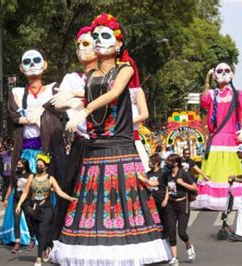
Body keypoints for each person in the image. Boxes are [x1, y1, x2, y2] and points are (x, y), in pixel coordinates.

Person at [50, 13, 171, 265]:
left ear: (118, 45)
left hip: (121, 150)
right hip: (95, 154)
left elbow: (114, 92)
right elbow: (84, 94)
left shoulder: (124, 69)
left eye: (105, 36)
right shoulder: (91, 76)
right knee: (92, 213)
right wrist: (68, 102)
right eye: (95, 37)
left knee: (126, 211)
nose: (98, 41)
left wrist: (83, 108)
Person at [1, 49, 61, 245]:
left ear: (45, 65)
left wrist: (40, 117)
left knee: (47, 189)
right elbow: (13, 115)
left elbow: (59, 107)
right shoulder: (17, 93)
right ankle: (23, 234)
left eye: (37, 60)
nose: (32, 64)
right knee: (22, 190)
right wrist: (30, 118)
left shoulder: (54, 89)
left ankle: (47, 229)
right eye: (27, 61)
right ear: (21, 67)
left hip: (46, 152)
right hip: (25, 151)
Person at [194, 63, 242, 211]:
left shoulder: (237, 94)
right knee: (215, 172)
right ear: (215, 75)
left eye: (227, 70)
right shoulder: (213, 94)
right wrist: (207, 82)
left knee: (232, 170)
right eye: (219, 71)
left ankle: (236, 199)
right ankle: (216, 200)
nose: (223, 73)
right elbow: (204, 102)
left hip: (233, 140)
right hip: (215, 141)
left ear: (232, 74)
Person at [48, 26, 97, 243]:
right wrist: (70, 102)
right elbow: (58, 102)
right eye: (78, 44)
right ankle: (61, 239)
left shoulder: (112, 75)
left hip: (106, 143)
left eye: (85, 44)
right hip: (80, 144)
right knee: (71, 189)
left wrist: (79, 97)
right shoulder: (71, 77)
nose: (80, 49)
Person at [15, 154, 77, 266]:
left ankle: (38, 257)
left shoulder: (50, 178)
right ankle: (47, 246)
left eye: (40, 165)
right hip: (34, 208)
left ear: (45, 167)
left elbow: (59, 192)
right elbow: (25, 192)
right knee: (36, 232)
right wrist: (19, 204)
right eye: (37, 165)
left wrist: (70, 198)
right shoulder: (31, 177)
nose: (38, 166)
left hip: (47, 208)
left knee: (43, 230)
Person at [164, 154, 198, 264]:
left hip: (183, 204)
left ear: (176, 163)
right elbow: (163, 185)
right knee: (171, 232)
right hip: (171, 205)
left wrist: (182, 183)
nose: (167, 163)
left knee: (182, 232)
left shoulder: (184, 174)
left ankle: (188, 245)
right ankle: (174, 257)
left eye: (170, 162)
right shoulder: (167, 174)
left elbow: (194, 187)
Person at [2, 158, 35, 253]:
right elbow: (11, 186)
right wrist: (6, 198)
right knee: (16, 221)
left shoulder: (30, 175)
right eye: (18, 164)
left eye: (20, 164)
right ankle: (17, 242)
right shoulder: (15, 174)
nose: (18, 166)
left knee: (29, 221)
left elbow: (33, 189)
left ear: (25, 165)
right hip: (16, 200)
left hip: (27, 201)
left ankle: (32, 239)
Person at [146, 153, 170, 239]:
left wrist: (166, 200)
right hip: (152, 201)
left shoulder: (163, 173)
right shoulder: (148, 174)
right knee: (155, 221)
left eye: (151, 162)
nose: (149, 163)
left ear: (156, 163)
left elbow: (168, 187)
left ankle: (166, 239)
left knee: (164, 221)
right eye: (149, 161)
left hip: (161, 200)